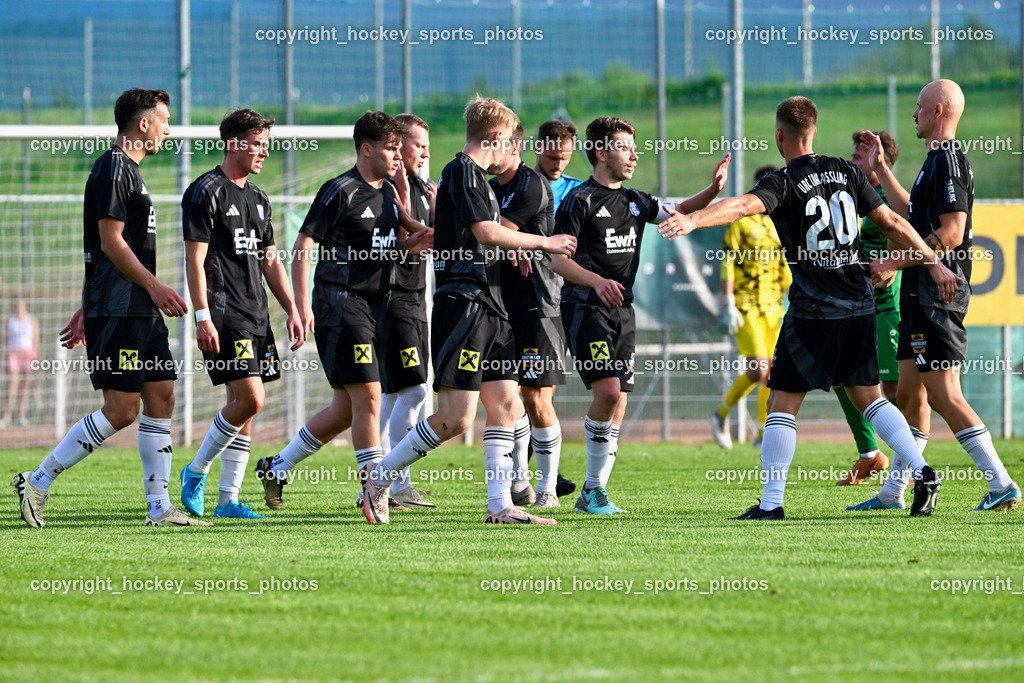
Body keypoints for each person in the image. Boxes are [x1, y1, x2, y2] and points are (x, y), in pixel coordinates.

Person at [657, 95, 959, 519]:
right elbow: (892, 221)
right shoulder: (848, 170)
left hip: (813, 311)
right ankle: (923, 471)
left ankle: (771, 504)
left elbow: (742, 206)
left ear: (779, 135)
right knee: (870, 398)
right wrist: (933, 262)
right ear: (814, 131)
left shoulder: (782, 181)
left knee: (781, 404)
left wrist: (694, 218)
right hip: (859, 305)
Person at [363, 96, 577, 525]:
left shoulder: (476, 178)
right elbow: (485, 231)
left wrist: (511, 249)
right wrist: (543, 242)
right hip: (464, 303)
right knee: (455, 419)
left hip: (492, 303)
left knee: (507, 406)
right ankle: (379, 478)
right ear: (496, 137)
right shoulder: (461, 169)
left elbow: (473, 235)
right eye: (508, 142)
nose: (510, 150)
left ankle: (500, 506)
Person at [11, 88, 209, 527]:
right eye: (164, 120)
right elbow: (109, 242)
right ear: (143, 123)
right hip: (122, 308)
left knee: (162, 395)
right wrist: (155, 287)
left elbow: (99, 253)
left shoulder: (131, 172)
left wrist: (87, 304)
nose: (168, 129)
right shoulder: (115, 167)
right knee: (122, 409)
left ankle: (159, 508)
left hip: (136, 308)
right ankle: (37, 480)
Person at [853, 79, 1021, 511]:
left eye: (919, 106)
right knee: (910, 396)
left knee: (945, 393)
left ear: (939, 111)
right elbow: (912, 215)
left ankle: (1001, 483)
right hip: (918, 294)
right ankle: (893, 493)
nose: (914, 113)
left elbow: (952, 232)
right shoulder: (934, 160)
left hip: (937, 295)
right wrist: (880, 170)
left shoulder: (948, 160)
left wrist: (893, 263)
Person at [551, 116, 730, 515]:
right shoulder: (579, 200)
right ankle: (591, 490)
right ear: (601, 153)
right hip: (585, 306)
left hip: (623, 311)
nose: (634, 155)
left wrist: (713, 190)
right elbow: (557, 261)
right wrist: (596, 281)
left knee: (619, 400)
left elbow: (679, 210)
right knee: (608, 392)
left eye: (635, 149)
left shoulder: (636, 200)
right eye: (624, 148)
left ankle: (593, 493)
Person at [254, 111, 432, 511]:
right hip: (340, 304)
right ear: (366, 149)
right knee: (370, 395)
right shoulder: (340, 190)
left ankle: (277, 467)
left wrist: (413, 243)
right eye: (390, 148)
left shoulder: (390, 193)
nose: (398, 156)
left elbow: (388, 246)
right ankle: (375, 492)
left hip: (375, 309)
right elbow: (304, 245)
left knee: (345, 410)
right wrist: (301, 305)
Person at [179, 108, 303, 520]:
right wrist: (202, 316)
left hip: (256, 314)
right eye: (258, 144)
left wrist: (292, 308)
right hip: (223, 312)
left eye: (267, 144)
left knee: (244, 406)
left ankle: (227, 501)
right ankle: (196, 470)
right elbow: (194, 261)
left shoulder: (260, 198)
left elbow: (270, 260)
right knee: (252, 398)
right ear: (234, 144)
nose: (264, 152)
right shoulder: (205, 191)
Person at [490, 124, 566, 508]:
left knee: (536, 396)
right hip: (498, 303)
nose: (490, 152)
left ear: (516, 147)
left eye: (497, 144)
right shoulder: (489, 186)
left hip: (538, 303)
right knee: (506, 393)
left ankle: (548, 489)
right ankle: (519, 481)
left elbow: (491, 233)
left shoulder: (530, 185)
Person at [374, 113, 437, 510]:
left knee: (392, 393)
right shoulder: (390, 190)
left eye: (427, 146)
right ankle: (395, 483)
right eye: (419, 145)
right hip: (395, 300)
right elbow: (397, 242)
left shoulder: (423, 188)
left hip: (415, 298)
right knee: (414, 390)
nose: (425, 153)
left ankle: (378, 479)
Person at [833, 130, 901, 486]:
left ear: (878, 161)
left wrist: (882, 272)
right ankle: (870, 454)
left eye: (858, 157)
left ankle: (908, 464)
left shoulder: (887, 203)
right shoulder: (856, 198)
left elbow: (891, 266)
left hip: (885, 309)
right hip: (858, 306)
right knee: (842, 377)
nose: (851, 162)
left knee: (896, 391)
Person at [710, 165, 790, 450]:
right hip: (746, 306)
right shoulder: (741, 222)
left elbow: (784, 269)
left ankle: (762, 431)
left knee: (771, 372)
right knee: (760, 368)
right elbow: (728, 261)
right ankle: (721, 414)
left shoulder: (779, 224)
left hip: (774, 309)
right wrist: (728, 302)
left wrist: (797, 299)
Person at [3, 300, 39, 427]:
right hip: (14, 353)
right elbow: (6, 340)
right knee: (12, 384)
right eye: (17, 305)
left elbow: (35, 340)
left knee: (24, 385)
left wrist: (35, 358)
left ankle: (21, 416)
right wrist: (5, 358)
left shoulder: (31, 320)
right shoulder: (10, 321)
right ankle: (7, 416)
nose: (19, 308)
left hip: (28, 354)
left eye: (21, 305)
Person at [534, 119, 583, 212]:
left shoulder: (578, 191)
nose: (558, 166)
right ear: (538, 148)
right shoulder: (515, 186)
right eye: (553, 158)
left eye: (564, 159)